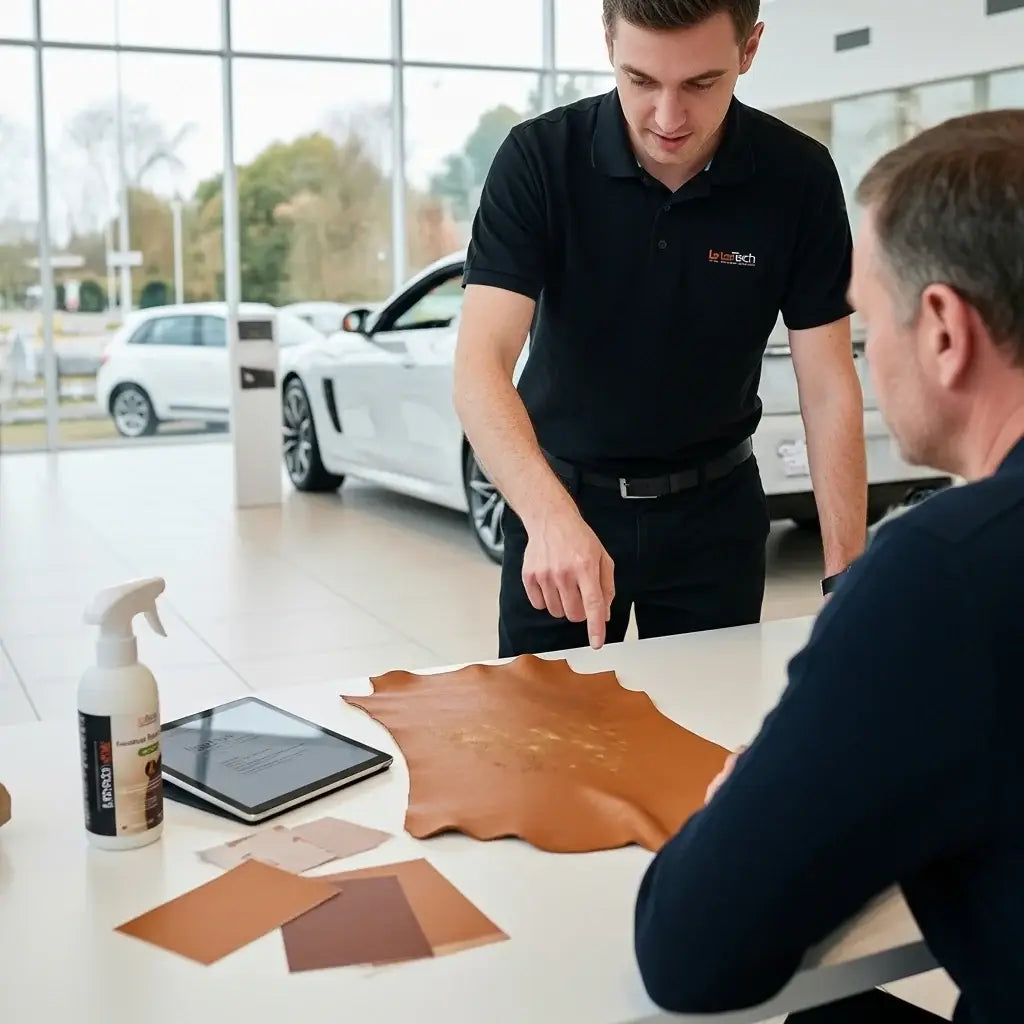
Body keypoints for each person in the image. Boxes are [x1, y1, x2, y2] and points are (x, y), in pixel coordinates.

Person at [632, 108, 1024, 1023]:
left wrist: (756, 800)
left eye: (864, 316)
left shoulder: (947, 573)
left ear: (941, 329)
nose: (863, 348)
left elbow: (691, 951)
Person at [453, 0, 869, 659]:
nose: (668, 119)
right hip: (562, 501)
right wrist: (549, 517)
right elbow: (481, 364)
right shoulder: (538, 159)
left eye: (701, 83)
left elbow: (828, 385)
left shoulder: (799, 177)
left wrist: (849, 576)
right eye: (641, 80)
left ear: (749, 49)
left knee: (709, 739)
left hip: (717, 514)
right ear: (609, 43)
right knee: (552, 744)